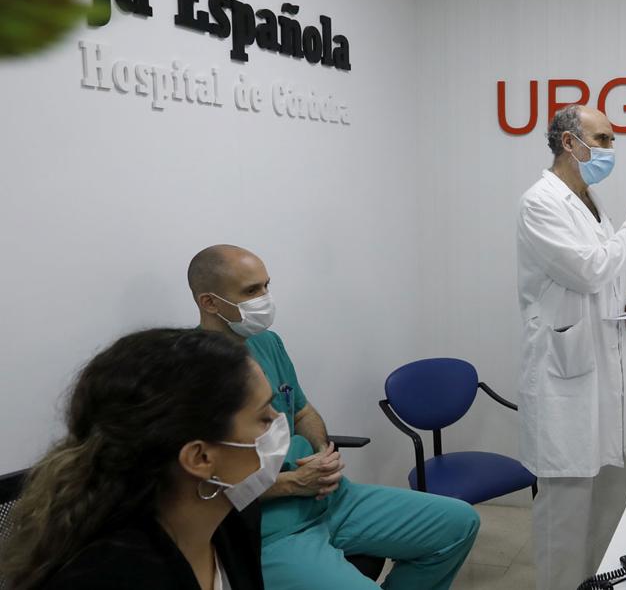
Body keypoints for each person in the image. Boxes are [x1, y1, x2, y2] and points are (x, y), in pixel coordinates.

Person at [187, 245, 479, 590]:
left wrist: (322, 453)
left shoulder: (267, 342)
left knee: (459, 523)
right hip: (272, 528)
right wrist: (292, 483)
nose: (265, 298)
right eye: (252, 291)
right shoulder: (192, 374)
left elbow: (302, 411)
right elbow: (203, 488)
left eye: (266, 286)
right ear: (209, 302)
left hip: (330, 498)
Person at [0, 328, 276, 590]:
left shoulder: (231, 518)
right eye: (264, 418)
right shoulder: (107, 578)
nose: (278, 422)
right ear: (200, 457)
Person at [515, 104, 626, 590]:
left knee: (611, 499)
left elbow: (599, 279)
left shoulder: (588, 198)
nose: (611, 148)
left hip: (601, 366)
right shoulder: (540, 202)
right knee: (566, 512)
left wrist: (624, 304)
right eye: (604, 138)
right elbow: (589, 268)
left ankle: (602, 584)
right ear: (570, 143)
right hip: (566, 375)